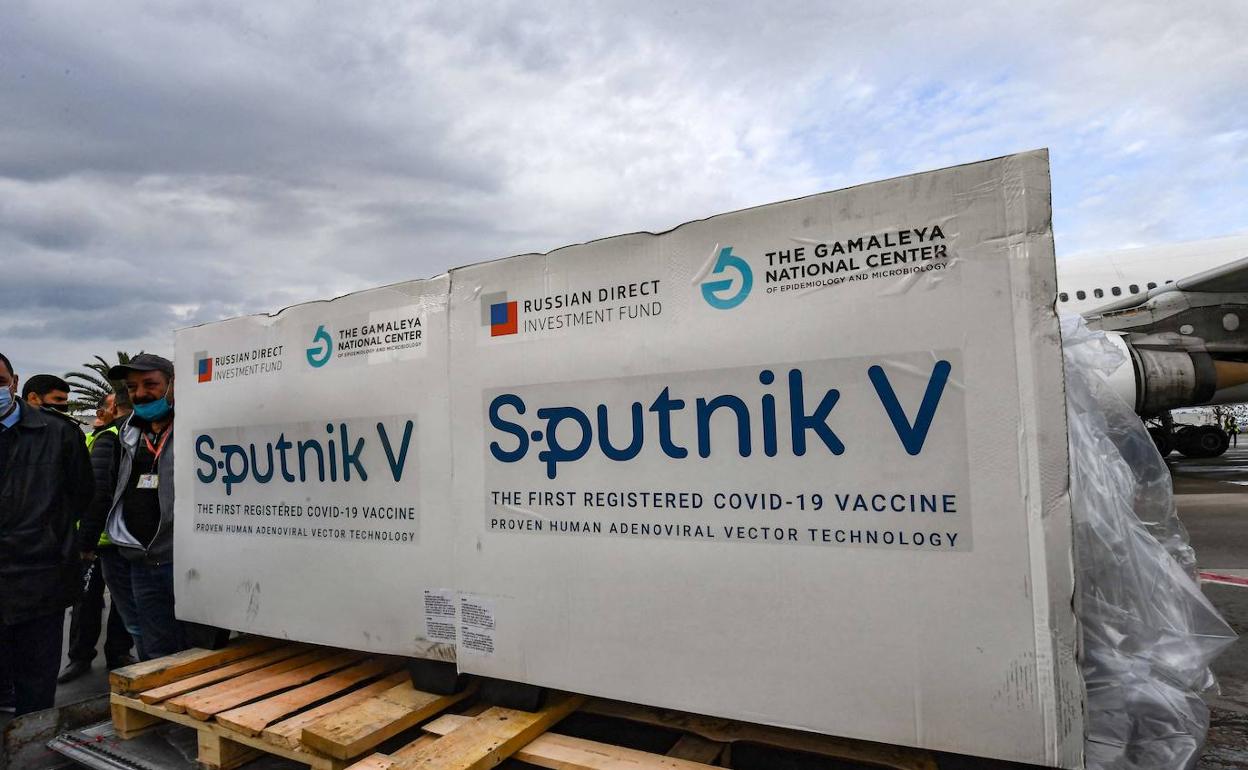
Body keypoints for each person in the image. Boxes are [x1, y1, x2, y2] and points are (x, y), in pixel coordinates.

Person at [0, 353, 94, 715]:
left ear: (13, 382)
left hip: (40, 580)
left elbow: (81, 495)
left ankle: (34, 744)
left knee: (36, 688)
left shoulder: (59, 433)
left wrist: (47, 536)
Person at [79, 354, 187, 661]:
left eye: (150, 384)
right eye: (132, 387)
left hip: (181, 561)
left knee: (189, 648)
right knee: (152, 647)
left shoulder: (194, 427)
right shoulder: (125, 433)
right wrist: (88, 543)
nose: (140, 393)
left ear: (173, 385)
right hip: (140, 559)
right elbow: (106, 492)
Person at [57, 393, 136, 683]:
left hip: (111, 538)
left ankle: (113, 654)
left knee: (117, 602)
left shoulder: (117, 436)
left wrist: (86, 539)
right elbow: (93, 491)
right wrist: (86, 539)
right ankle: (85, 656)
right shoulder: (102, 437)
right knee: (89, 600)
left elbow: (100, 493)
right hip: (100, 538)